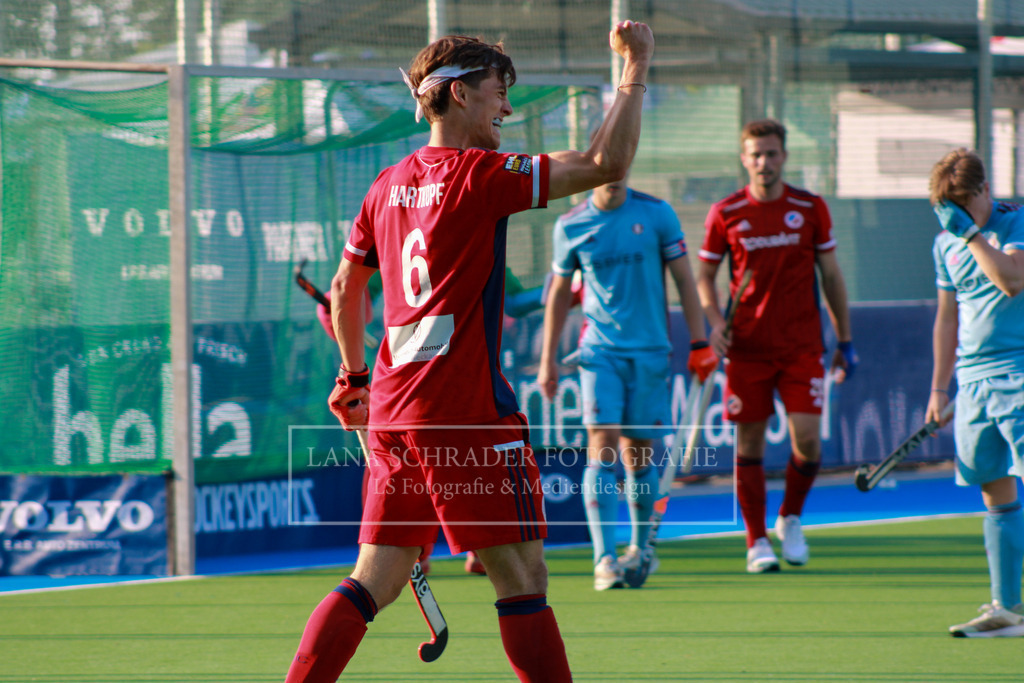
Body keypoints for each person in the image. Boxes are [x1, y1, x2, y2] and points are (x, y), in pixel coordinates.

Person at [284, 21, 654, 682]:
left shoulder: (385, 184)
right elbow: (606, 166)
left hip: (396, 415)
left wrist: (353, 375)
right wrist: (634, 68)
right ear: (458, 95)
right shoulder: (479, 177)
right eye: (496, 92)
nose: (506, 108)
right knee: (522, 576)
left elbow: (345, 289)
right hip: (467, 417)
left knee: (375, 576)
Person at [537, 171, 715, 591]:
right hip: (599, 352)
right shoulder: (571, 225)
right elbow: (560, 294)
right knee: (602, 443)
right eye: (607, 164)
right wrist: (547, 360)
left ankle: (640, 550)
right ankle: (604, 558)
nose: (615, 173)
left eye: (623, 163)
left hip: (650, 352)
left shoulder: (657, 214)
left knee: (638, 455)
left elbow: (685, 280)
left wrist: (700, 341)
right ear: (593, 168)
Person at [696, 119, 857, 574]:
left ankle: (790, 517)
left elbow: (831, 276)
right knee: (749, 444)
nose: (764, 162)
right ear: (744, 159)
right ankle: (756, 541)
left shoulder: (809, 207)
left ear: (784, 156)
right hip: (747, 349)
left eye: (771, 153)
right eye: (755, 154)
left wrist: (844, 338)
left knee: (807, 441)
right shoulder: (725, 212)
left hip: (802, 347)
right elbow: (704, 277)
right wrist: (714, 325)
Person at [926, 148, 1024, 638]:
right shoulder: (946, 244)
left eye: (966, 204)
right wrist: (939, 389)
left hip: (1021, 372)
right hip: (974, 382)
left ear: (986, 191)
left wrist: (969, 233)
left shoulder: (1015, 223)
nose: (960, 217)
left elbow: (1011, 281)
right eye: (952, 209)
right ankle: (1007, 609)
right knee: (993, 489)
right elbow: (947, 318)